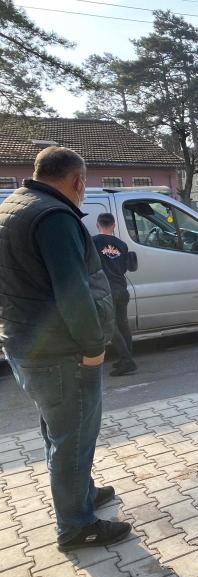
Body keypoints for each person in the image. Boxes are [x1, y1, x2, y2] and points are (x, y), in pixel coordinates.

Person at [0, 146, 132, 550]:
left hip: (27, 346)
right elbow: (73, 290)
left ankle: (82, 493)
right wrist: (94, 346)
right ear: (77, 181)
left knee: (59, 432)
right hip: (62, 353)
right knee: (73, 436)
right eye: (85, 184)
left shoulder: (14, 206)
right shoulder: (54, 217)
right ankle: (76, 526)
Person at [93, 212, 137, 376]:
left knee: (110, 327)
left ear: (98, 225)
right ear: (114, 226)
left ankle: (127, 361)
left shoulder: (93, 242)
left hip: (105, 290)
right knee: (123, 323)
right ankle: (126, 358)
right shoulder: (122, 244)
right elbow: (125, 267)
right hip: (121, 289)